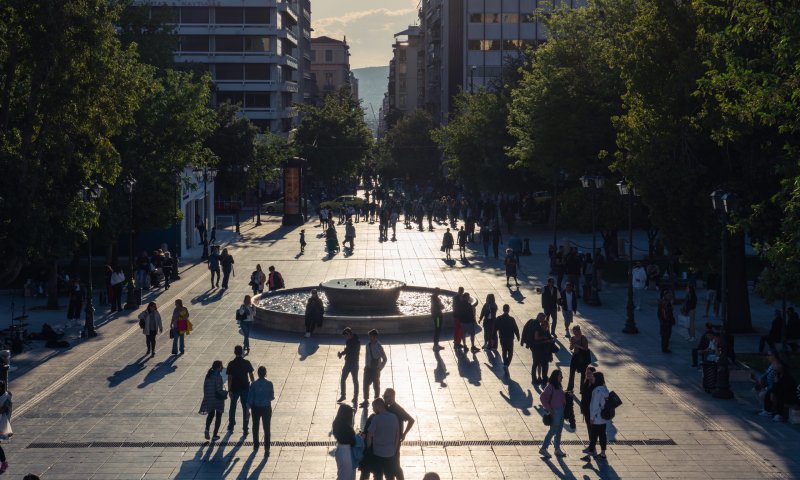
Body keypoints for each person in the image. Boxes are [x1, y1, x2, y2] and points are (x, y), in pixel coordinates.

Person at [384, 388, 415, 480]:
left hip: (395, 441)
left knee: (395, 463)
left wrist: (404, 433)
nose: (385, 399)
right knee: (390, 463)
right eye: (384, 396)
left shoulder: (398, 409)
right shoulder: (386, 407)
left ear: (393, 396)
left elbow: (411, 420)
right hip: (387, 440)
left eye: (387, 396)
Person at [366, 398, 400, 480]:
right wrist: (394, 449)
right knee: (390, 476)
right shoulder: (394, 417)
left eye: (373, 407)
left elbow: (369, 435)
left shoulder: (376, 418)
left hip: (378, 453)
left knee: (378, 475)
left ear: (378, 406)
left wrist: (368, 447)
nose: (373, 409)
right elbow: (397, 435)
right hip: (390, 453)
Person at [539, 370, 567, 459]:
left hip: (561, 410)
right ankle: (543, 448)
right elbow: (542, 397)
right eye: (560, 376)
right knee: (553, 431)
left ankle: (557, 449)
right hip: (555, 411)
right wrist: (550, 410)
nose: (562, 377)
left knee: (559, 431)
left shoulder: (558, 385)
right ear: (555, 377)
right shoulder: (550, 386)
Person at [227, 345, 254, 435]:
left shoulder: (231, 363)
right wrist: (253, 384)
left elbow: (230, 378)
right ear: (242, 352)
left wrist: (229, 390)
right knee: (245, 407)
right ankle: (245, 427)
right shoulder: (246, 362)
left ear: (234, 352)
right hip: (245, 387)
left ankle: (231, 425)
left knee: (232, 407)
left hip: (234, 388)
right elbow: (251, 374)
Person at [247, 366, 275, 453]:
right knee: (267, 428)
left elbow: (250, 398)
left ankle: (256, 445)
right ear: (265, 373)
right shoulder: (269, 384)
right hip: (266, 407)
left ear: (258, 374)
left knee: (255, 427)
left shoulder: (254, 384)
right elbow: (271, 397)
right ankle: (267, 448)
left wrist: (248, 408)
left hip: (256, 408)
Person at [584, 371, 610, 460]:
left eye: (593, 377)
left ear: (597, 379)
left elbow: (594, 405)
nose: (592, 378)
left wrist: (591, 418)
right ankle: (603, 453)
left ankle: (589, 454)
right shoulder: (605, 389)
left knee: (593, 436)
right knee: (603, 435)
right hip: (604, 417)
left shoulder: (596, 390)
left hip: (596, 417)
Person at [199, 360, 226, 441]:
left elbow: (205, 387)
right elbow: (218, 389)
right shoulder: (218, 376)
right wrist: (225, 393)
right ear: (218, 367)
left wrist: (207, 397)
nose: (222, 367)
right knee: (218, 415)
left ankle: (207, 429)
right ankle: (215, 434)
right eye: (221, 366)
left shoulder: (208, 375)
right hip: (217, 399)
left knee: (210, 415)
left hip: (209, 398)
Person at [361, 330, 387, 407]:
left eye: (371, 336)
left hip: (375, 369)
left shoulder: (379, 346)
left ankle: (377, 401)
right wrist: (366, 365)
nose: (370, 338)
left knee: (376, 386)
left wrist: (380, 368)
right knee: (365, 384)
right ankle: (366, 400)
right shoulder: (367, 345)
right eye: (369, 336)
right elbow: (367, 356)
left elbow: (385, 359)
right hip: (368, 368)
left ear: (375, 337)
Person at [333, 403, 357, 479]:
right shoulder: (347, 428)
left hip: (340, 450)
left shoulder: (336, 423)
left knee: (342, 473)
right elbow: (352, 441)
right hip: (347, 452)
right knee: (347, 475)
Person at [494, 304, 520, 375]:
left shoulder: (499, 318)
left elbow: (495, 329)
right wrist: (518, 336)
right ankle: (506, 364)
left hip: (502, 338)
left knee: (504, 351)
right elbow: (515, 328)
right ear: (508, 310)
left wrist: (493, 337)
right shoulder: (511, 319)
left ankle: (505, 364)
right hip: (510, 338)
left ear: (503, 309)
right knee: (510, 352)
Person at [338, 327, 361, 403]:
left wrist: (344, 352)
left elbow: (351, 350)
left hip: (354, 363)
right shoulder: (348, 341)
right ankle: (343, 395)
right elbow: (347, 349)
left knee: (355, 380)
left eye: (346, 336)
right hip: (347, 363)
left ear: (349, 334)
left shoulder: (357, 342)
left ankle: (355, 397)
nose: (345, 338)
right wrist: (341, 353)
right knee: (343, 379)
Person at [533, 316, 555, 385]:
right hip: (540, 351)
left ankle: (544, 378)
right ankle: (540, 377)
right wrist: (545, 340)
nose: (545, 327)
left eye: (546, 325)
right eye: (543, 325)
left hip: (546, 352)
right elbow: (536, 340)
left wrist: (551, 354)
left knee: (545, 365)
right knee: (539, 364)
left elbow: (550, 342)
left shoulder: (547, 332)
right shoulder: (539, 331)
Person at [567, 325, 590, 391]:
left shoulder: (583, 338)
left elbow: (586, 348)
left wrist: (578, 346)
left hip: (582, 357)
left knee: (583, 373)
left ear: (579, 331)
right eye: (573, 331)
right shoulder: (572, 338)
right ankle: (570, 388)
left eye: (575, 331)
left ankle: (582, 389)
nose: (574, 333)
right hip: (575, 356)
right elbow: (571, 348)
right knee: (571, 372)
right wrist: (571, 346)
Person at [579, 366, 597, 440]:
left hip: (592, 410)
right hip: (586, 409)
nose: (587, 374)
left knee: (592, 428)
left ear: (593, 374)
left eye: (589, 373)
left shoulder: (596, 385)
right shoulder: (586, 382)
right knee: (589, 427)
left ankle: (592, 446)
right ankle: (591, 444)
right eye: (586, 373)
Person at [0, 381, 11, 473]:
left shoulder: (5, 397)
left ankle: (4, 463)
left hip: (1, 424)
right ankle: (4, 462)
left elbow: (5, 410)